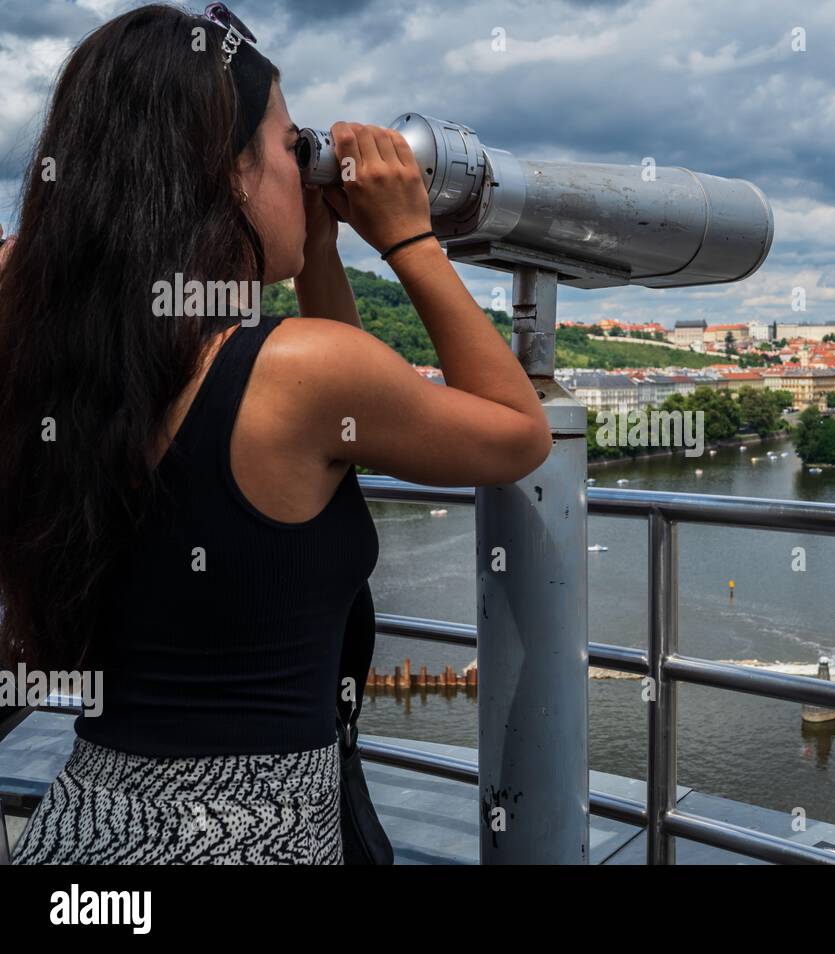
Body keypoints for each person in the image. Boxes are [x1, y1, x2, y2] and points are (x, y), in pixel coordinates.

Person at [0, 4, 549, 863]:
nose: (310, 169)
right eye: (293, 147)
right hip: (250, 839)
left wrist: (319, 254)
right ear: (227, 173)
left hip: (87, 828)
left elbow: (351, 430)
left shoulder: (53, 357)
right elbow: (517, 435)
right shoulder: (298, 375)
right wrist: (410, 239)